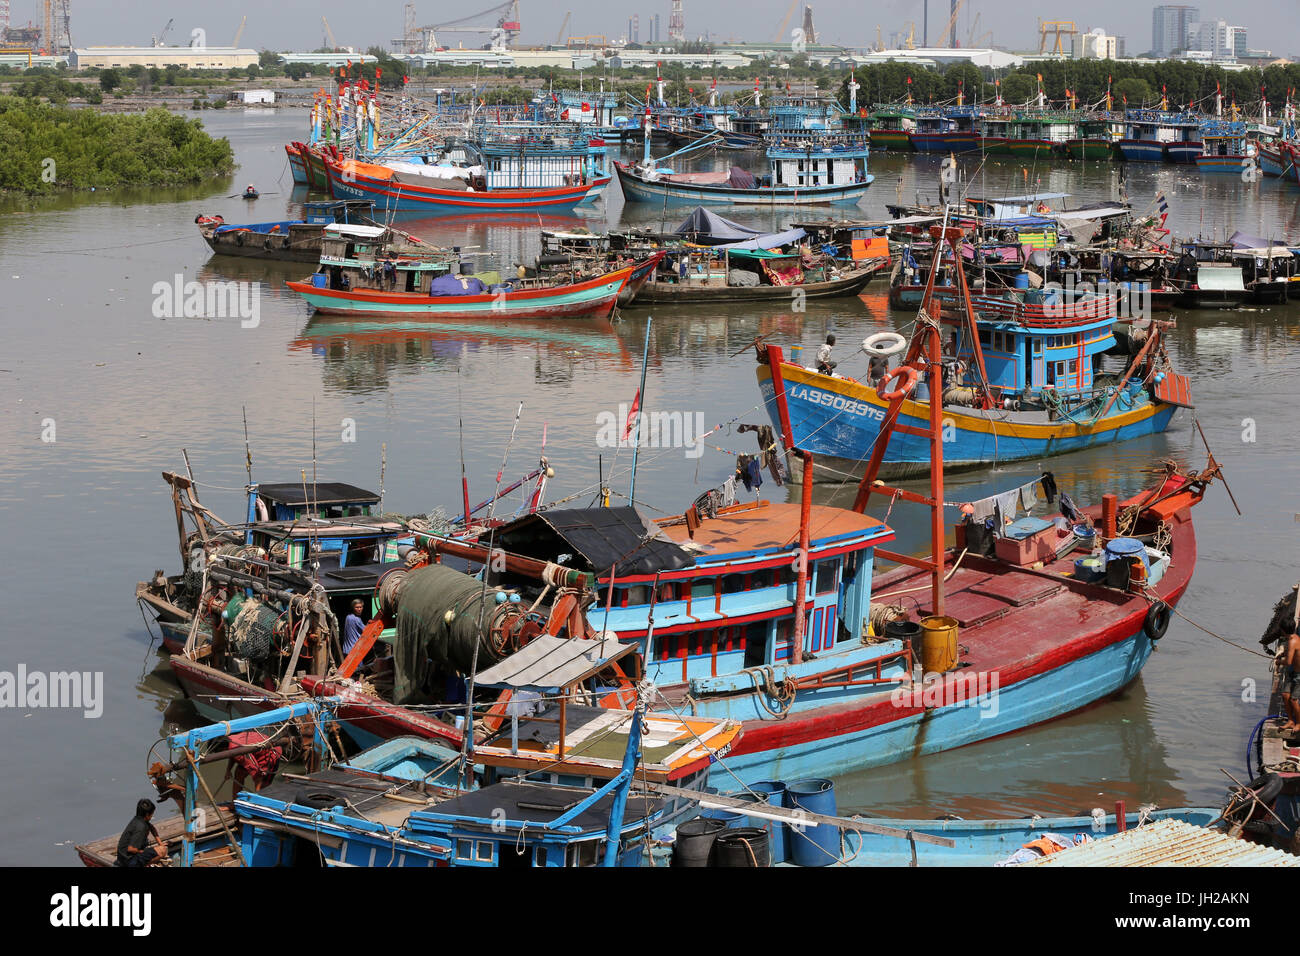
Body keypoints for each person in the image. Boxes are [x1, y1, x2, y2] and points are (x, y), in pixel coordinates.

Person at [115, 799, 166, 867]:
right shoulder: (141, 828)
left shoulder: (138, 819)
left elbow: (152, 828)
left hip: (122, 857)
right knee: (162, 851)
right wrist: (141, 852)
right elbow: (130, 849)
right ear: (147, 814)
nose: (152, 816)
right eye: (152, 814)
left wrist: (161, 844)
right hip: (128, 861)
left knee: (161, 847)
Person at [1281, 620, 1300, 732]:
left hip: (1299, 674)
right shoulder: (1292, 639)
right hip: (1293, 672)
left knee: (1294, 700)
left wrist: (1279, 662)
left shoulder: (1293, 641)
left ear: (1283, 630)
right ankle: (1291, 721)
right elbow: (1290, 653)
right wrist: (1283, 654)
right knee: (1285, 695)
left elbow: (1288, 662)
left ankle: (1299, 723)